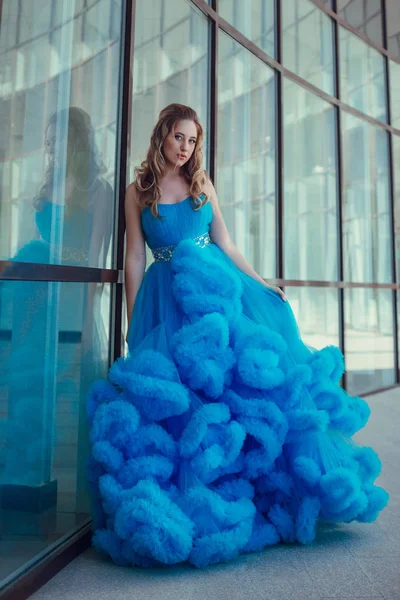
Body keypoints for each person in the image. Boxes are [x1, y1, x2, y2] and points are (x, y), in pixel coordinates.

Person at [86, 103, 389, 569]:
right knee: (183, 400)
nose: (186, 149)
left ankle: (264, 486)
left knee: (232, 387)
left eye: (192, 140)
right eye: (179, 138)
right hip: (165, 296)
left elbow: (226, 243)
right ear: (162, 134)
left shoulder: (201, 185)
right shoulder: (137, 191)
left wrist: (262, 283)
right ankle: (195, 494)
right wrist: (133, 322)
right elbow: (132, 257)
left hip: (215, 293)